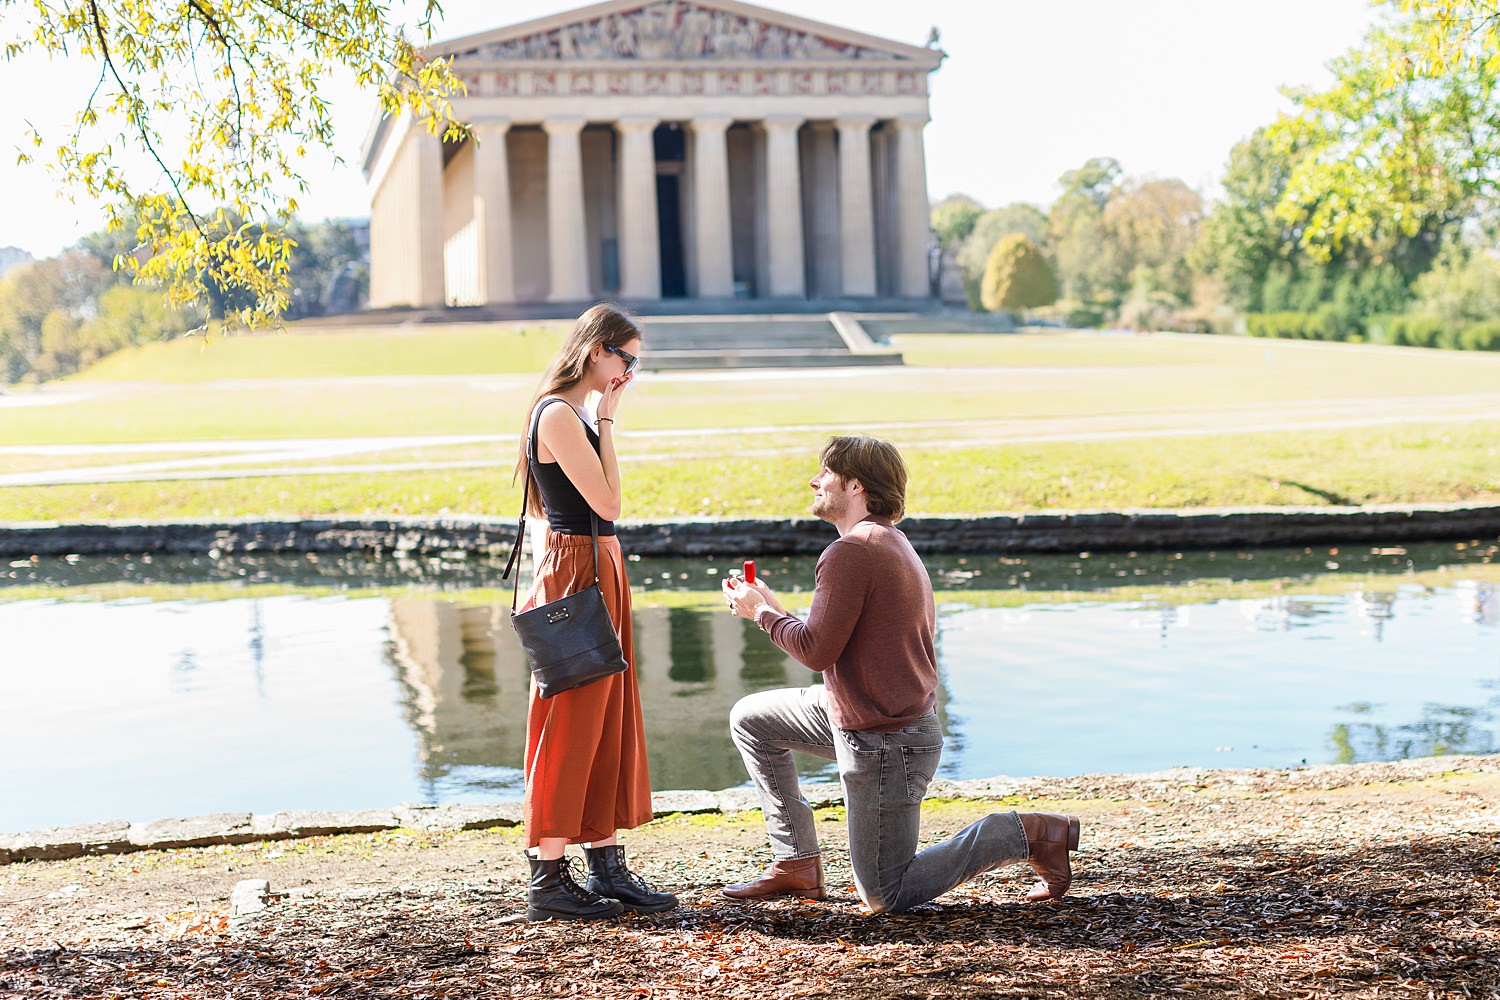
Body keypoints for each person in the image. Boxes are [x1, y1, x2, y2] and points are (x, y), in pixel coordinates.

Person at [720, 435, 1081, 914]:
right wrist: (771, 607)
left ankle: (1031, 833)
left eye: (825, 472)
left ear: (855, 485)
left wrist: (762, 614)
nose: (814, 480)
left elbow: (815, 650)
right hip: (860, 714)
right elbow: (830, 642)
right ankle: (797, 864)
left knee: (885, 895)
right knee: (753, 718)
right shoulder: (884, 542)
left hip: (887, 740)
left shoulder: (852, 552)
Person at [512, 304, 677, 921]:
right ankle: (548, 878)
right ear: (595, 349)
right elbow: (608, 500)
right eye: (624, 358)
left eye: (635, 363)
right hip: (580, 568)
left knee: (608, 715)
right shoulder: (557, 413)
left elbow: (600, 512)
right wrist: (608, 419)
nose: (628, 372)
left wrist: (603, 416)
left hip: (598, 564)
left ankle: (605, 863)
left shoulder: (571, 413)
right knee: (573, 717)